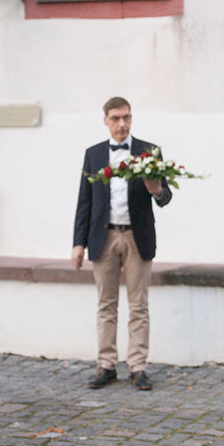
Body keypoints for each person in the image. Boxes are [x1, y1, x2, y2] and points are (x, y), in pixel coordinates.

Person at [72, 97, 173, 391]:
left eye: (126, 117)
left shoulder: (149, 152)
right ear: (105, 120)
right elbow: (84, 201)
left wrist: (156, 191)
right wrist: (78, 243)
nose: (122, 124)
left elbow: (165, 196)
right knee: (106, 304)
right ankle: (106, 365)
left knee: (139, 305)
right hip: (102, 238)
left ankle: (138, 367)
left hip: (137, 236)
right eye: (115, 118)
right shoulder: (93, 155)